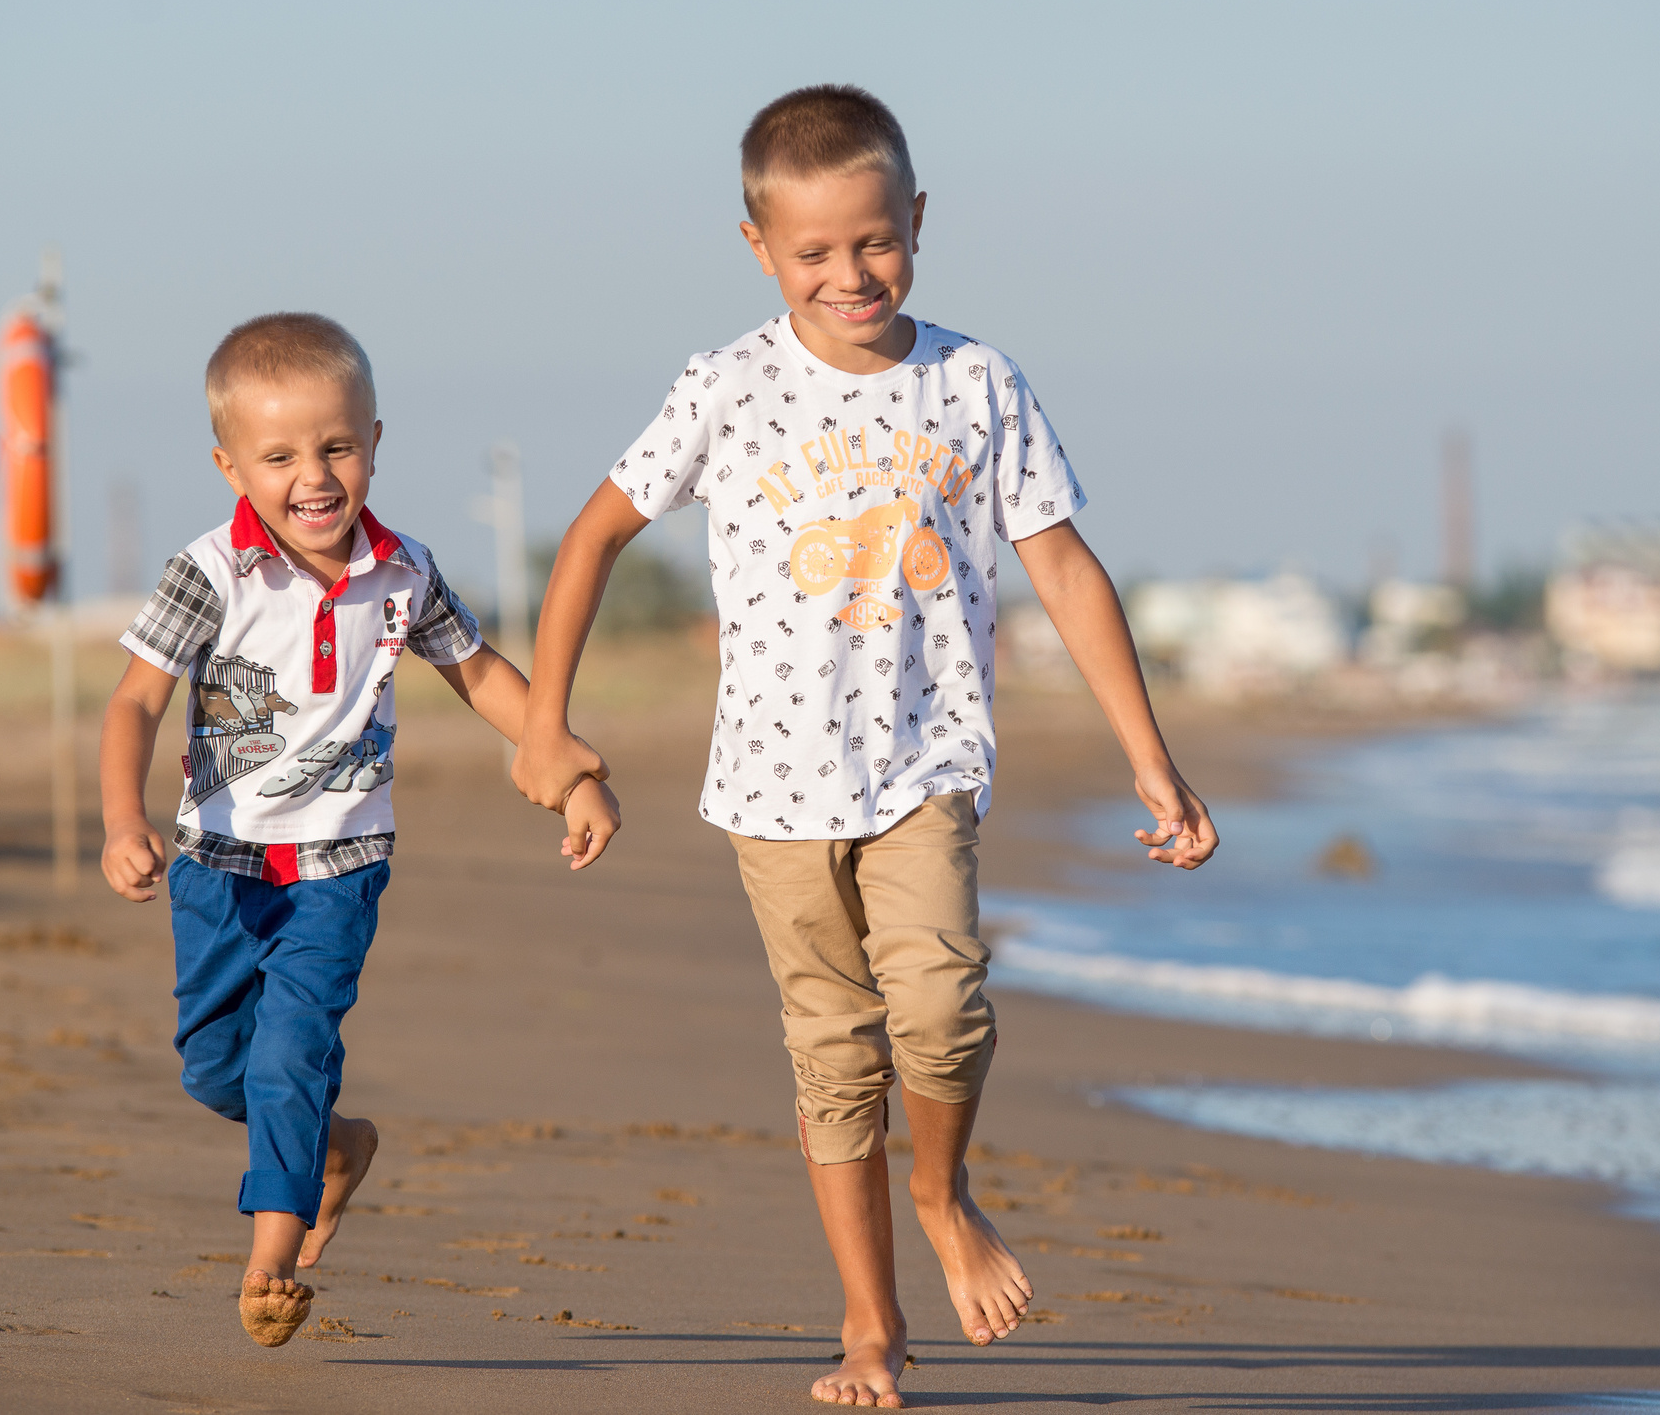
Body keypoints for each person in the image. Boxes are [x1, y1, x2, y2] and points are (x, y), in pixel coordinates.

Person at [515, 86, 1218, 1407]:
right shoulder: (726, 388)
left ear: (918, 222)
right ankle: (868, 1328)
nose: (852, 274)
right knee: (835, 1051)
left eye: (877, 241)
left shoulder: (975, 382)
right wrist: (547, 719)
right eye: (815, 253)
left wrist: (1149, 754)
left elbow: (1063, 569)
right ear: (759, 248)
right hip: (773, 788)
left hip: (924, 763)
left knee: (943, 1008)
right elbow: (594, 535)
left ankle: (945, 1195)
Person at [97, 311, 622, 1348]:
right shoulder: (208, 573)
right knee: (216, 1068)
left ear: (376, 441)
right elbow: (133, 705)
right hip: (218, 861)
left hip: (341, 865)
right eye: (280, 455)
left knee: (290, 1051)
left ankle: (269, 1259)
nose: (315, 476)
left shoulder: (405, 571)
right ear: (228, 463)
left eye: (337, 446)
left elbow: (483, 678)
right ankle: (337, 1149)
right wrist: (122, 817)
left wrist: (573, 772)